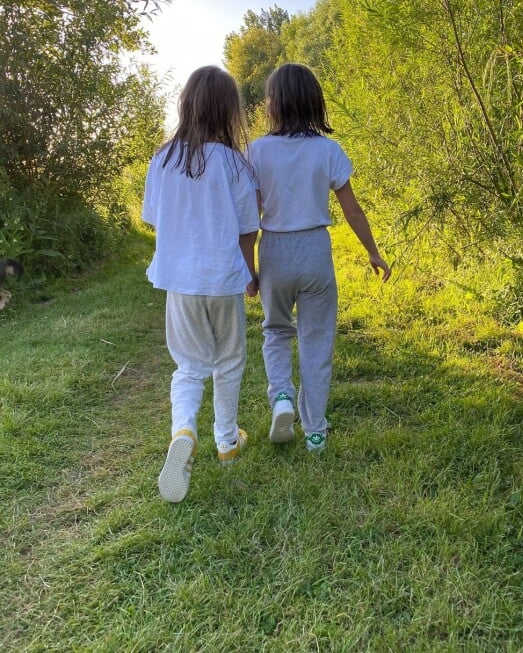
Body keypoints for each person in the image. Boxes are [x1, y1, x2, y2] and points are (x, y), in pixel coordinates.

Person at [250, 63, 390, 453]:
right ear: (314, 101)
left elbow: (249, 216)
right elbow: (353, 210)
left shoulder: (257, 151)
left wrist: (246, 267)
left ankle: (281, 397)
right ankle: (314, 430)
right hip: (315, 249)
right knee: (316, 339)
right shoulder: (328, 150)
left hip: (275, 247)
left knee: (276, 330)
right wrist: (373, 253)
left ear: (274, 103)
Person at [142, 66, 260, 503]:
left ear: (186, 103)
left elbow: (155, 219)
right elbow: (249, 228)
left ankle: (184, 430)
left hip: (180, 280)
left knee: (189, 365)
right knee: (228, 359)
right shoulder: (235, 164)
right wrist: (251, 274)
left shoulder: (163, 158)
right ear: (229, 110)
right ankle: (226, 441)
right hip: (223, 278)